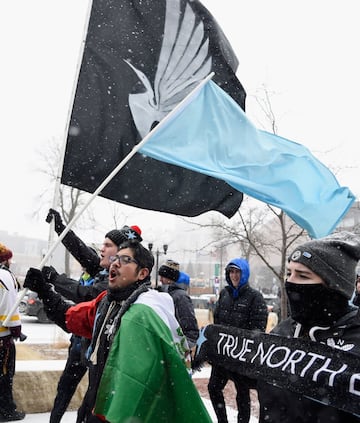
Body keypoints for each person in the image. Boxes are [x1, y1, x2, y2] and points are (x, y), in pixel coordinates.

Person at [23, 241, 212, 423]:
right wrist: (44, 291)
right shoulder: (107, 302)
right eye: (116, 258)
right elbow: (70, 318)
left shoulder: (144, 314)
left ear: (142, 273)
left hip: (125, 412)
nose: (116, 263)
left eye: (125, 260)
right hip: (98, 403)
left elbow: (147, 381)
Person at [194, 231, 360, 423]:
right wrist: (220, 347)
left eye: (303, 276)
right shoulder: (284, 330)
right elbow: (262, 379)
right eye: (289, 273)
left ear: (334, 286)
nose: (290, 282)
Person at [208, 257, 268, 423]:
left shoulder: (255, 297)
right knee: (213, 388)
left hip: (241, 355)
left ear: (244, 274)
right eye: (231, 272)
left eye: (237, 272)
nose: (234, 275)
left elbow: (259, 328)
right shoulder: (224, 294)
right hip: (222, 353)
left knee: (242, 393)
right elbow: (217, 319)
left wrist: (244, 343)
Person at [0, 243, 25, 421]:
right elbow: (10, 305)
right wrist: (16, 330)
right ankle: (5, 410)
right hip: (2, 337)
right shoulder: (4, 276)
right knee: (4, 374)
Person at [158, 260, 199, 349]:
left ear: (170, 279)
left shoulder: (181, 297)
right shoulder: (164, 294)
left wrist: (185, 348)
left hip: (177, 348)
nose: (160, 279)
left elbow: (190, 329)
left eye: (163, 276)